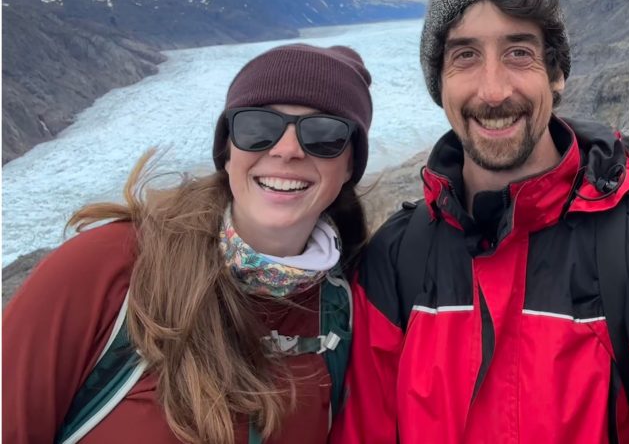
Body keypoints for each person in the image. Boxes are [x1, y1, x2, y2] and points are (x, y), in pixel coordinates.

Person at [335, 0, 629, 444]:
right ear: (439, 86)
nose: (494, 89)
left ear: (557, 73)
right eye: (465, 56)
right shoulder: (394, 263)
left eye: (518, 52)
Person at [3, 44, 374, 444]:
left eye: (324, 135)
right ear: (227, 151)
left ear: (350, 164)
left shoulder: (342, 308)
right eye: (257, 128)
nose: (287, 150)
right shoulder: (108, 269)